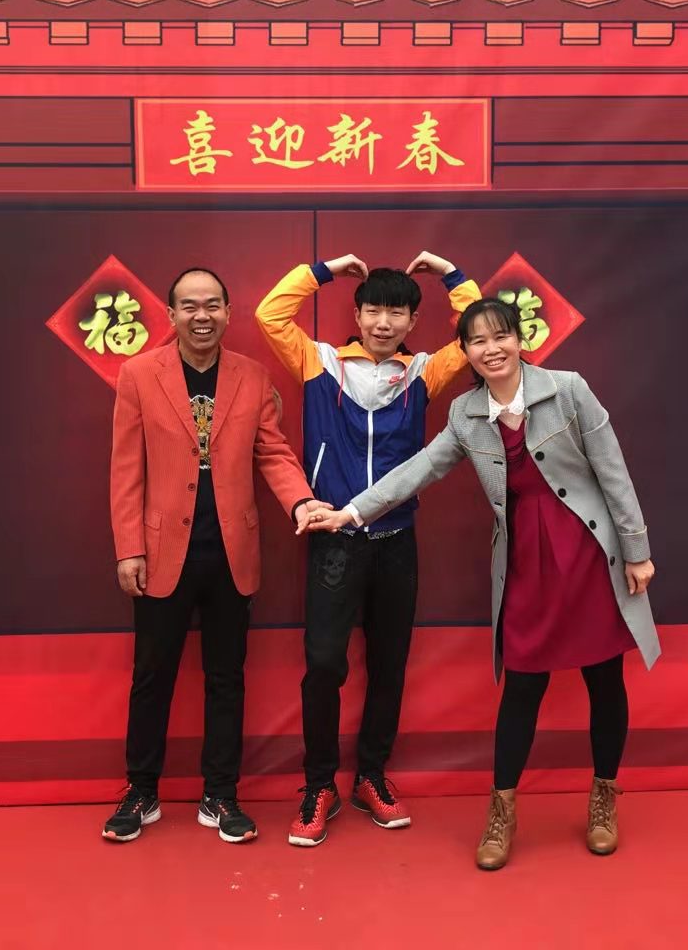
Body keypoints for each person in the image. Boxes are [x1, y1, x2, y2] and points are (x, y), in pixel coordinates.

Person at [300, 297, 658, 870]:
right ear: (464, 352)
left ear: (520, 340)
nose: (492, 349)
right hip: (526, 561)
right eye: (478, 341)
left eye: (501, 337)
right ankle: (502, 811)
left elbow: (613, 471)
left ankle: (603, 801)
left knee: (604, 680)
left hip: (588, 553)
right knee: (522, 687)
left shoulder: (568, 389)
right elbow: (418, 470)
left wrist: (636, 552)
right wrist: (351, 512)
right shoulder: (466, 413)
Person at [256, 251, 480, 846]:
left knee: (389, 664)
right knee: (324, 666)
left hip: (397, 541)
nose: (384, 322)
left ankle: (371, 777)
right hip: (334, 538)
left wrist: (451, 274)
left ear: (413, 321)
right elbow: (270, 314)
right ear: (356, 315)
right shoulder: (320, 361)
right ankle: (318, 785)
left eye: (397, 313)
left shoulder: (425, 372)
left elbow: (479, 328)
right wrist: (324, 270)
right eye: (374, 310)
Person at [105, 268, 328, 844]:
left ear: (228, 312)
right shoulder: (139, 375)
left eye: (211, 305)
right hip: (161, 550)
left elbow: (272, 452)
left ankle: (220, 795)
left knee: (226, 678)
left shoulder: (252, 376)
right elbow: (126, 469)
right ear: (171, 315)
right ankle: (140, 792)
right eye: (189, 306)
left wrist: (301, 500)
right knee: (151, 676)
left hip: (232, 550)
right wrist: (129, 548)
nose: (200, 316)